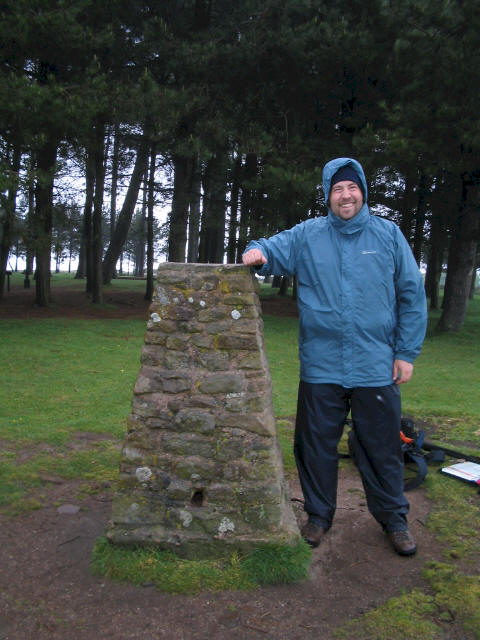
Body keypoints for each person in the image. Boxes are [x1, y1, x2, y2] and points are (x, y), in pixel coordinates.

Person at [242, 157, 427, 556]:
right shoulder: (309, 235)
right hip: (321, 364)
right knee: (314, 446)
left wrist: (406, 353)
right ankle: (319, 517)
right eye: (337, 189)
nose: (346, 195)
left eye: (352, 187)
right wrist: (255, 252)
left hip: (374, 364)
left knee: (381, 447)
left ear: (362, 190)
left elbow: (412, 296)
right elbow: (267, 249)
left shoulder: (389, 236)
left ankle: (394, 519)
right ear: (328, 195)